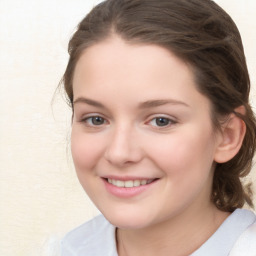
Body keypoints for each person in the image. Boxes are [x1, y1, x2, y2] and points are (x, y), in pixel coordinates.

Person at [60, 0, 256, 255]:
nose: (119, 153)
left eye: (161, 121)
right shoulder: (65, 249)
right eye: (96, 119)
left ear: (227, 136)